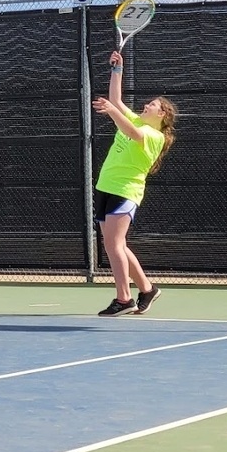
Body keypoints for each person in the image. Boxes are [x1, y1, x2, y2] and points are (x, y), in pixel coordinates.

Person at [91, 50, 177, 317]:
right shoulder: (139, 120)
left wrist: (113, 112)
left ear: (162, 114)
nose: (145, 106)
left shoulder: (155, 136)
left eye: (151, 104)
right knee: (116, 244)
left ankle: (124, 298)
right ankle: (148, 290)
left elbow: (130, 130)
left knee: (114, 245)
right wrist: (117, 69)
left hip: (125, 191)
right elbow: (116, 99)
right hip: (106, 186)